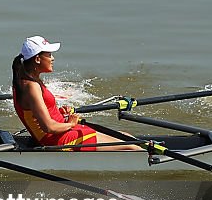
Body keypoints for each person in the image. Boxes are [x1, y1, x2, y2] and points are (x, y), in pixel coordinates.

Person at [11, 35, 141, 151]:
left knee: (125, 136)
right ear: (38, 59)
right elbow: (49, 127)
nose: (53, 59)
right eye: (49, 55)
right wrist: (71, 124)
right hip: (58, 140)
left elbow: (36, 114)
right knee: (131, 145)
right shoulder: (31, 86)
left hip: (62, 131)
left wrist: (59, 113)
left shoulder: (25, 81)